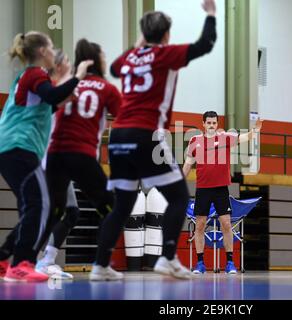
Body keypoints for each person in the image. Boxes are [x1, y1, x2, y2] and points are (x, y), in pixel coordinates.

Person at [92, 0, 217, 281]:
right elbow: (206, 44)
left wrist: (140, 46)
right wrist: (210, 14)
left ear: (143, 35)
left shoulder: (129, 58)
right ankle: (168, 257)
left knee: (122, 204)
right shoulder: (167, 54)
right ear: (166, 36)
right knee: (179, 196)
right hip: (145, 133)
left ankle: (100, 266)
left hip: (118, 136)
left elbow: (113, 68)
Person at [0, 31, 92, 282]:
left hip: (12, 148)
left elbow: (48, 104)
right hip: (20, 147)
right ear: (42, 52)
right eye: (51, 47)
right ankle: (21, 264)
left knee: (33, 208)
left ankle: (5, 258)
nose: (53, 51)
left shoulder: (27, 78)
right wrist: (78, 77)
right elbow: (51, 96)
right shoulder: (36, 74)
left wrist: (63, 99)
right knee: (42, 206)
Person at [37, 39, 121, 282]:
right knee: (70, 211)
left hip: (53, 155)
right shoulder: (67, 87)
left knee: (66, 212)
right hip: (60, 155)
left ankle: (38, 260)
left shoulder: (64, 87)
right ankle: (98, 263)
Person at [183, 111, 263, 274]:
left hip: (220, 189)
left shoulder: (225, 138)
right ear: (203, 124)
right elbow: (187, 164)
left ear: (217, 124)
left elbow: (246, 138)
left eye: (214, 123)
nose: (211, 125)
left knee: (226, 224)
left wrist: (255, 131)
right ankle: (200, 264)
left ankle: (230, 263)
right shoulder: (194, 141)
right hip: (203, 189)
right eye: (209, 123)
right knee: (200, 225)